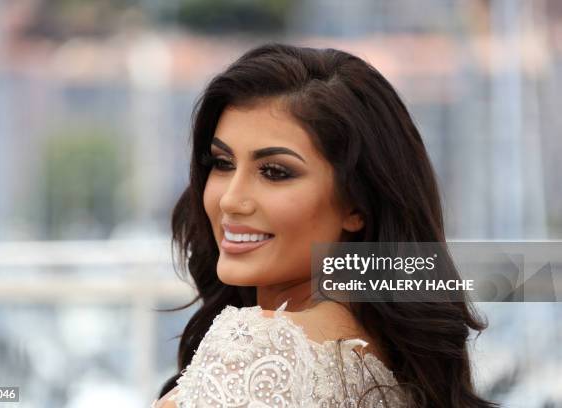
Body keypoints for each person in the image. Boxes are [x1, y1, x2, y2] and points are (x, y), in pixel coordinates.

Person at [152, 43, 497, 407]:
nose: (230, 200)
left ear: (357, 204)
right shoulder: (398, 364)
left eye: (274, 172)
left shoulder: (257, 352)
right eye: (222, 163)